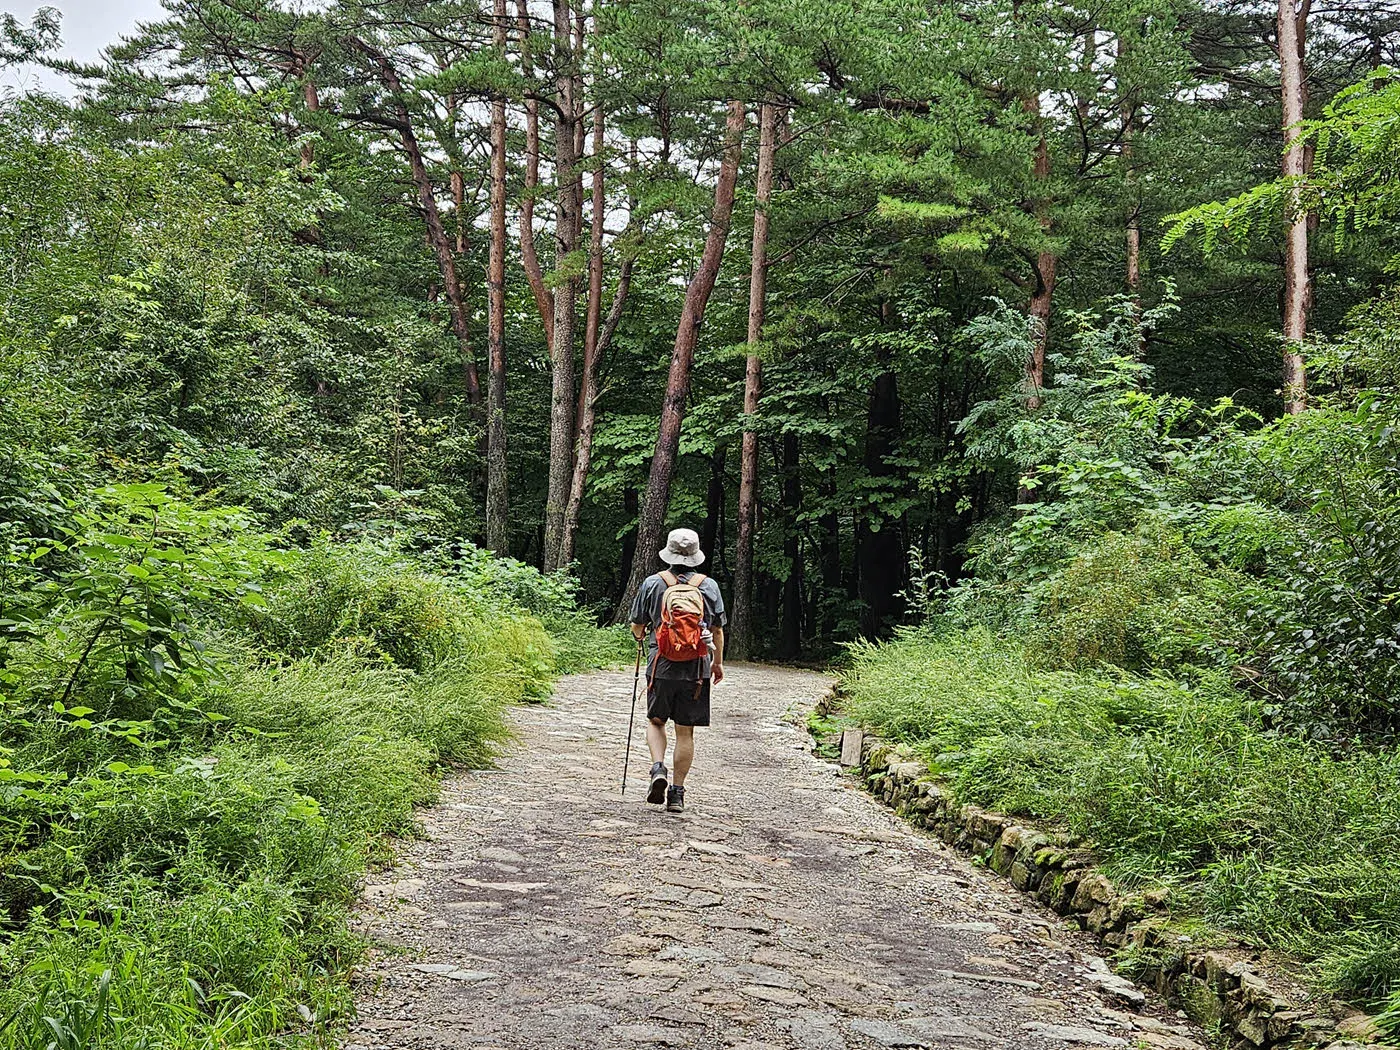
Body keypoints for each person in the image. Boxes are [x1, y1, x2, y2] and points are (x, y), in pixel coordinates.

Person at [628, 527, 726, 813]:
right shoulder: (709, 586)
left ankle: (658, 768)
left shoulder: (653, 583)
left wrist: (642, 636)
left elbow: (637, 625)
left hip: (661, 664)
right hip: (696, 669)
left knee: (656, 721)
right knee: (686, 732)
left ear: (668, 552)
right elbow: (717, 630)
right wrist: (717, 662)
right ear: (695, 555)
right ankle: (677, 794)